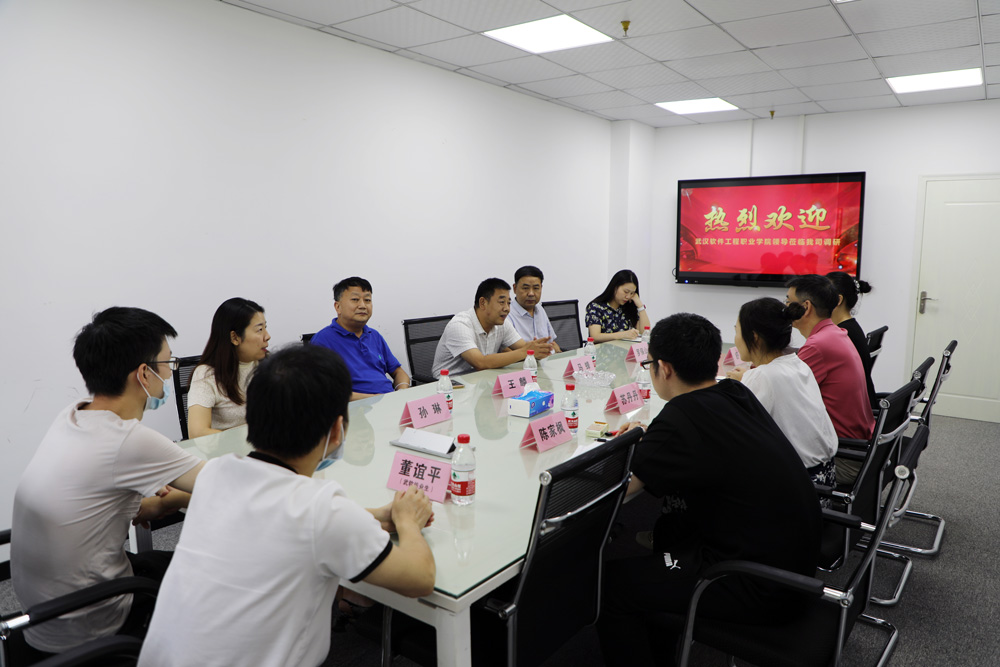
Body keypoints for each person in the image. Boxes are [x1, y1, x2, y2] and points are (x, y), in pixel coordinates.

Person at [137, 344, 435, 667]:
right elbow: (420, 579)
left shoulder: (216, 472)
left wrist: (375, 516)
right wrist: (408, 520)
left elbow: (282, 517)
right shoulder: (323, 509)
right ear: (337, 430)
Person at [597, 313, 821, 667]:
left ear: (664, 368)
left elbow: (614, 490)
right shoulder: (734, 392)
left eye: (650, 364)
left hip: (755, 582)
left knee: (611, 586)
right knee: (667, 535)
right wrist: (655, 440)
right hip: (795, 565)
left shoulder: (682, 417)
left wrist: (620, 449)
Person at [11, 307, 205, 655]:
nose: (170, 372)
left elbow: (102, 499)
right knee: (204, 575)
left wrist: (159, 499)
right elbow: (226, 485)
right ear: (144, 374)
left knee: (160, 563)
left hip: (42, 615)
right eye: (168, 363)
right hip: (91, 620)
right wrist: (178, 497)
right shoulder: (126, 439)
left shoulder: (73, 415)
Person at [726, 298, 838, 487]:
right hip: (824, 478)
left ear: (754, 337)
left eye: (737, 331)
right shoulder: (797, 364)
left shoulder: (763, 376)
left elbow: (733, 434)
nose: (735, 338)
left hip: (797, 486)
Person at [786, 275, 875, 485]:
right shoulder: (835, 333)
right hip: (859, 447)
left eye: (788, 302)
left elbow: (784, 394)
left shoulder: (817, 345)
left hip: (844, 458)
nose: (785, 309)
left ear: (806, 307)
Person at [311, 276, 411, 400]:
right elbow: (323, 390)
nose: (363, 305)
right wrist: (374, 398)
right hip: (355, 407)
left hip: (388, 401)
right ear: (338, 307)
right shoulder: (322, 341)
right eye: (355, 299)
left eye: (367, 300)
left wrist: (401, 392)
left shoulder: (374, 335)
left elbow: (398, 372)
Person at [431, 278, 553, 376]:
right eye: (502, 302)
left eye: (509, 303)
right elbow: (480, 363)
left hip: (481, 381)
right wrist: (526, 352)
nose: (507, 308)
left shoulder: (502, 323)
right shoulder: (460, 325)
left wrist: (538, 349)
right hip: (449, 386)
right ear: (483, 303)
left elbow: (524, 347)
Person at [187, 298, 270, 438]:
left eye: (265, 328)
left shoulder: (268, 364)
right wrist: (251, 439)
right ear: (235, 337)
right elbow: (197, 433)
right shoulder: (207, 375)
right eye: (259, 330)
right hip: (229, 450)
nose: (267, 336)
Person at [827, 271, 877, 407]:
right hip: (862, 402)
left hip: (855, 407)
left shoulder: (842, 334)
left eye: (822, 295)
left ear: (838, 300)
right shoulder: (850, 327)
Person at [585, 269, 651, 342]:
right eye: (626, 292)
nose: (628, 296)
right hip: (602, 348)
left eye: (632, 293)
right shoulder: (596, 307)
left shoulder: (629, 307)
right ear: (615, 287)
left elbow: (645, 333)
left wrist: (640, 306)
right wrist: (622, 335)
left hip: (624, 348)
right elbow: (595, 336)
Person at [508, 265, 562, 353]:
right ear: (515, 288)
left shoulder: (540, 309)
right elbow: (506, 350)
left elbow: (552, 343)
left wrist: (560, 355)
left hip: (548, 359)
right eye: (525, 288)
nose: (531, 293)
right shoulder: (507, 314)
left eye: (536, 288)